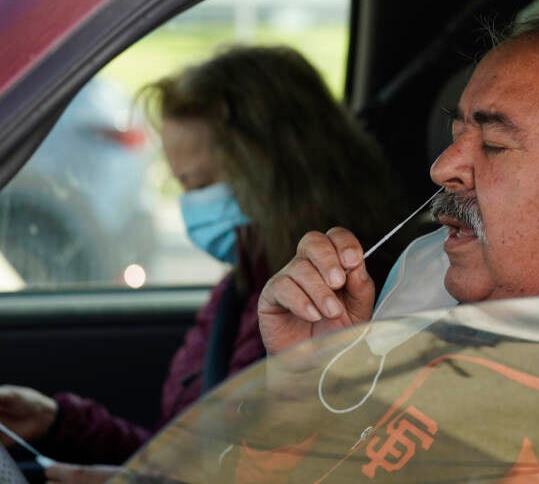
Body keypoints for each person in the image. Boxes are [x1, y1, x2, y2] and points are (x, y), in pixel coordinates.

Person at [0, 45, 405, 482]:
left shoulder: (353, 297)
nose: (191, 206)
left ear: (277, 167)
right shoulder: (238, 290)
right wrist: (58, 421)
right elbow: (181, 452)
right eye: (182, 185)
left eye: (202, 183)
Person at [256, 3, 539, 357]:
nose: (442, 168)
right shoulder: (427, 273)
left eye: (492, 143)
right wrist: (319, 377)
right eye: (456, 136)